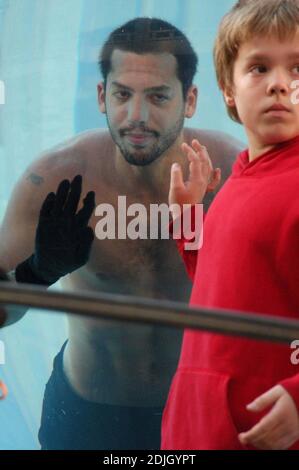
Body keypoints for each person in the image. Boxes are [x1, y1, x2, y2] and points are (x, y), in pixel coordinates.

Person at [0, 18, 243, 449]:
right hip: (87, 411)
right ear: (101, 96)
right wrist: (36, 274)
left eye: (157, 96)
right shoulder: (55, 180)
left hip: (196, 406)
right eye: (123, 95)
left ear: (189, 100)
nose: (137, 116)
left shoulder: (233, 175)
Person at [161, 0, 299, 451]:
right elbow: (219, 284)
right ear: (227, 89)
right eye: (259, 68)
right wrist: (189, 216)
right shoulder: (241, 179)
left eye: (297, 70)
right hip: (196, 429)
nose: (280, 84)